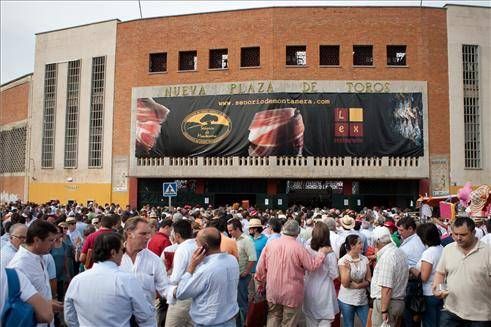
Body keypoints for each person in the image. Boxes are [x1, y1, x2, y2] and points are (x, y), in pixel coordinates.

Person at [64, 232, 156, 327]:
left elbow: (70, 316)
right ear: (113, 253)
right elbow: (145, 316)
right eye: (122, 250)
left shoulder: (77, 281)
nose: (124, 253)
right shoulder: (127, 280)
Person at [255, 220, 332, 327]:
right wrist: (321, 253)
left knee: (273, 317)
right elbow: (312, 266)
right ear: (297, 232)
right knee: (289, 322)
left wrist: (260, 283)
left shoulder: (270, 245)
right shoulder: (299, 247)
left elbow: (260, 268)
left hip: (273, 290)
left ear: (283, 230)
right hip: (292, 293)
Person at [174, 227, 240, 326]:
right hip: (229, 320)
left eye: (196, 242)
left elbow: (181, 293)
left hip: (210, 323)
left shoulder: (206, 270)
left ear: (204, 246)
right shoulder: (232, 260)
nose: (195, 244)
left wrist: (191, 266)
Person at [433, 217, 491, 325]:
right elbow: (440, 272)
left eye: (463, 235)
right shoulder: (448, 249)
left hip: (480, 316)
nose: (458, 238)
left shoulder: (488, 252)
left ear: (473, 232)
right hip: (451, 311)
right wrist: (438, 288)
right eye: (455, 234)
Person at [7, 219, 63, 326]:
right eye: (50, 240)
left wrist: (49, 303)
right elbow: (14, 304)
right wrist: (45, 305)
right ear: (37, 240)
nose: (53, 244)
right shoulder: (19, 265)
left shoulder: (40, 256)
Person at [119, 217, 173, 317]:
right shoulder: (114, 258)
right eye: (143, 234)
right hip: (119, 319)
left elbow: (165, 287)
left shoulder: (154, 260)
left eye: (149, 233)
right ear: (129, 233)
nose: (148, 237)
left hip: (145, 320)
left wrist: (176, 291)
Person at [303, 222, 339, 327]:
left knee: (310, 321)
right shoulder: (329, 251)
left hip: (309, 288)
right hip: (325, 290)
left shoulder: (307, 247)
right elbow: (334, 274)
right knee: (325, 320)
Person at [370, 227, 408, 327]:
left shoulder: (387, 257)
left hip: (388, 304)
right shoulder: (398, 252)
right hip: (396, 302)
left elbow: (386, 288)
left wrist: (384, 310)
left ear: (377, 242)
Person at [409, 223, 443, 327]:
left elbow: (423, 277)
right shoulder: (441, 248)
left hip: (429, 293)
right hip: (440, 291)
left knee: (430, 323)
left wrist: (411, 268)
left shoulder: (429, 253)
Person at [165, 219, 196, 327]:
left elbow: (176, 278)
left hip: (182, 297)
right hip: (196, 297)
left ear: (177, 235)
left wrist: (166, 278)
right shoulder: (198, 245)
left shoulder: (182, 249)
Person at [227, 218, 257, 325]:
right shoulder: (233, 240)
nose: (229, 233)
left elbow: (252, 257)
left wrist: (246, 271)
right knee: (236, 301)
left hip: (242, 277)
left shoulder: (247, 240)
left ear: (237, 229)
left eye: (231, 230)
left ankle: (244, 323)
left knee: (242, 302)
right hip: (235, 276)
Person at [338, 235, 371, 327]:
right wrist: (348, 270)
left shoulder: (364, 259)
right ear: (352, 246)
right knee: (349, 325)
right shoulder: (343, 261)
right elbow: (345, 283)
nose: (362, 245)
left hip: (362, 298)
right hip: (347, 299)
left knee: (368, 324)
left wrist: (358, 286)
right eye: (359, 243)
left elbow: (369, 279)